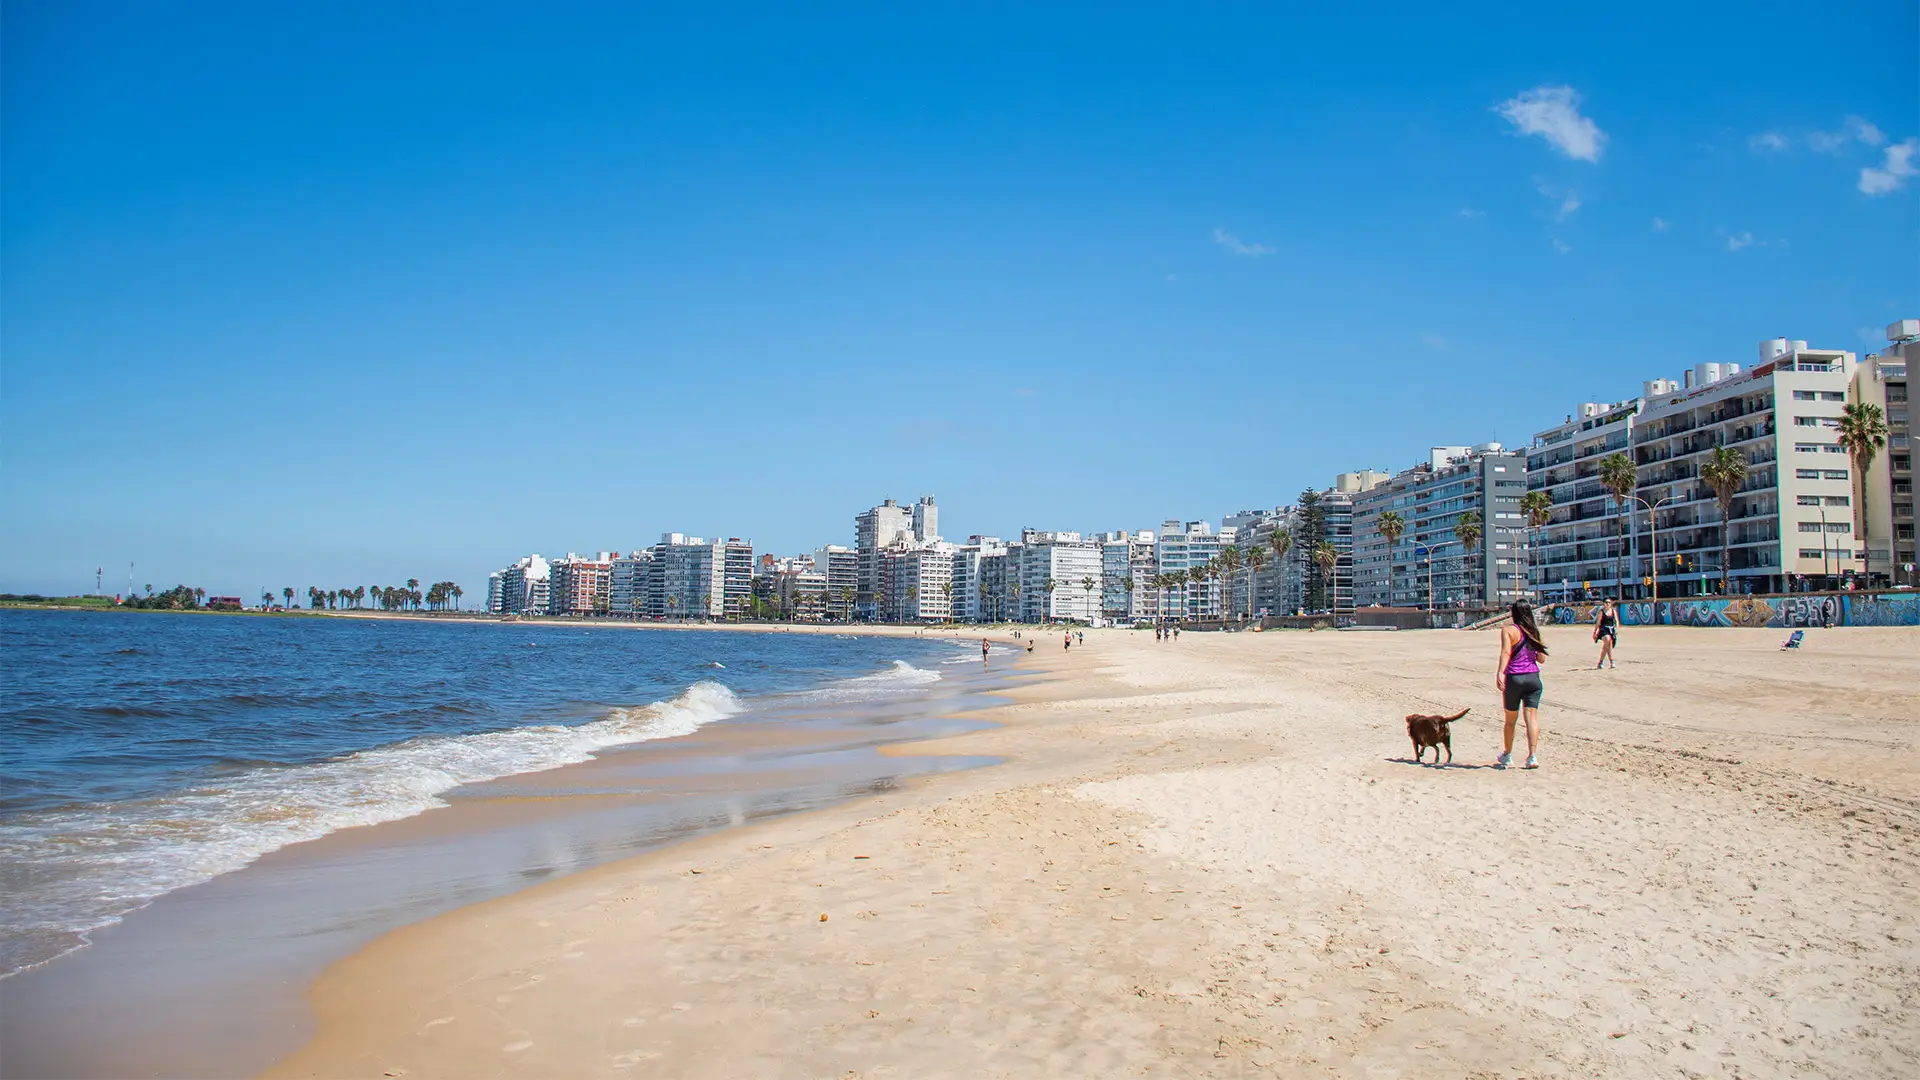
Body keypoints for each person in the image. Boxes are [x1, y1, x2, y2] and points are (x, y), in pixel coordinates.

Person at [1496, 599, 1549, 770]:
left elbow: (1506, 651)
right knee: (1531, 719)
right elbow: (1541, 658)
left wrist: (1500, 672)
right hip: (1533, 678)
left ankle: (1507, 755)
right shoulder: (1534, 632)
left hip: (1515, 678)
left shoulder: (1509, 630)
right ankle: (1532, 756)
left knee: (1510, 720)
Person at [1593, 599, 1618, 669]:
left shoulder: (1613, 611)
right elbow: (1598, 622)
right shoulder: (1602, 612)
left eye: (1609, 602)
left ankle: (1601, 662)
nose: (1608, 604)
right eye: (1606, 602)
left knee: (1607, 645)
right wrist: (1595, 632)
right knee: (1607, 640)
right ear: (1603, 604)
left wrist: (1616, 629)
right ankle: (1611, 661)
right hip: (1603, 629)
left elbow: (1616, 621)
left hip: (1611, 629)